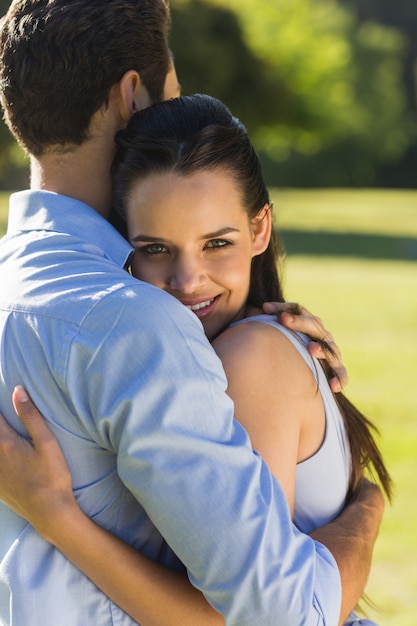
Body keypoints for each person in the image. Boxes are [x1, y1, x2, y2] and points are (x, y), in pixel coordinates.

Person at [0, 1, 384, 625]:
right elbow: (286, 615)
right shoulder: (132, 324)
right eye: (172, 89)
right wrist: (366, 513)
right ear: (133, 95)